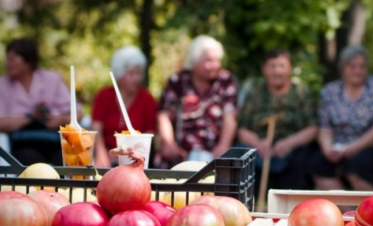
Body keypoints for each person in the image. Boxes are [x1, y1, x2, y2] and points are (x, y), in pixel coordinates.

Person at [309, 45, 373, 191]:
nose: (357, 71)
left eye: (362, 67)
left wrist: (353, 148)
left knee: (356, 166)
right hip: (340, 148)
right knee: (318, 163)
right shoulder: (329, 91)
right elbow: (325, 126)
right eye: (352, 66)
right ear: (342, 68)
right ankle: (347, 212)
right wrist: (327, 149)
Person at [237, 49, 318, 194]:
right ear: (264, 69)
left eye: (281, 66)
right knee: (239, 156)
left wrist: (289, 143)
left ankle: (294, 207)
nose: (277, 71)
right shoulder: (255, 92)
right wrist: (258, 144)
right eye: (272, 66)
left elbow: (312, 128)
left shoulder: (301, 92)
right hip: (260, 146)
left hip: (293, 147)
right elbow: (242, 129)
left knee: (305, 160)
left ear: (290, 69)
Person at [157, 35, 238, 168]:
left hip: (214, 151)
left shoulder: (224, 80)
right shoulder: (178, 81)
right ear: (193, 62)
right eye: (209, 61)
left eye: (217, 60)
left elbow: (230, 116)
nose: (215, 65)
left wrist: (224, 146)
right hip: (182, 151)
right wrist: (169, 142)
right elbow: (163, 115)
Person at [0, 37, 81, 166]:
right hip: (22, 144)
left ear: (28, 61)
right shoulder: (3, 85)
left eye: (12, 59)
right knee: (32, 162)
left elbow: (78, 113)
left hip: (54, 141)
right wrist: (29, 118)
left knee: (68, 159)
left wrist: (60, 119)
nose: (7, 63)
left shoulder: (52, 79)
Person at [91, 45, 157, 167]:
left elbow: (149, 133)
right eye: (131, 74)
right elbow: (96, 127)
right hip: (106, 157)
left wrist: (130, 155)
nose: (137, 78)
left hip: (136, 159)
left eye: (139, 73)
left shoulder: (147, 99)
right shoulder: (103, 96)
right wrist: (101, 154)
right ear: (119, 75)